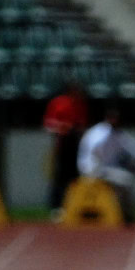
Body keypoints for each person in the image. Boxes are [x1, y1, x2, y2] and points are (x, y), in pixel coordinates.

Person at [77, 102, 135, 223]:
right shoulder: (100, 133)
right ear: (108, 119)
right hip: (92, 169)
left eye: (117, 118)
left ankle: (128, 212)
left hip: (107, 168)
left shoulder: (117, 133)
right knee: (124, 179)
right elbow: (94, 153)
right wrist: (99, 169)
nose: (115, 121)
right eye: (113, 118)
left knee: (133, 172)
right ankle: (127, 215)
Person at [43, 80, 90, 212]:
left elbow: (82, 124)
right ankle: (56, 206)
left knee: (76, 176)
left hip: (76, 144)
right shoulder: (58, 103)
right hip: (62, 143)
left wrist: (78, 130)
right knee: (60, 177)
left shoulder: (80, 104)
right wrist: (63, 127)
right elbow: (49, 124)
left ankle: (76, 205)